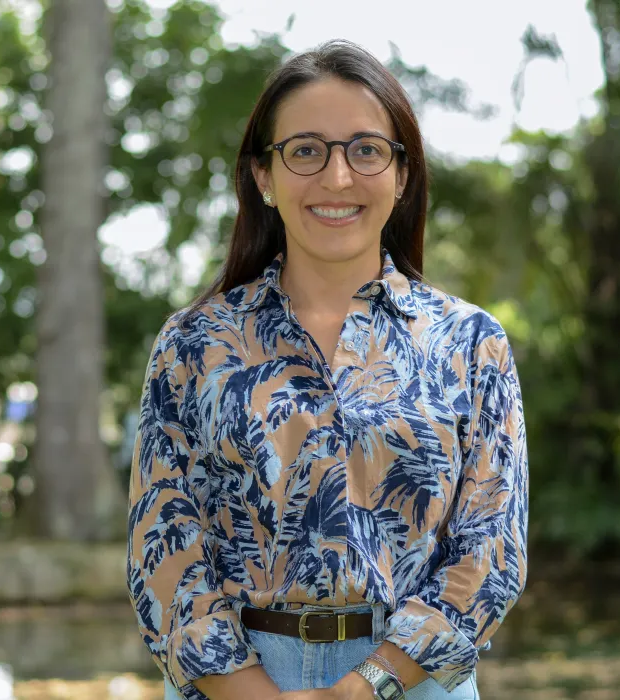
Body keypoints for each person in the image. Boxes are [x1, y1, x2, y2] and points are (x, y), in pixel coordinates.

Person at [126, 39, 528, 700]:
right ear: (264, 175)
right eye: (306, 151)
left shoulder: (469, 342)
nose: (337, 178)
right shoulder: (194, 343)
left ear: (402, 176)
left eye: (366, 150)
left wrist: (368, 685)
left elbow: (490, 551)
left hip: (411, 680)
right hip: (233, 684)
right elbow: (163, 547)